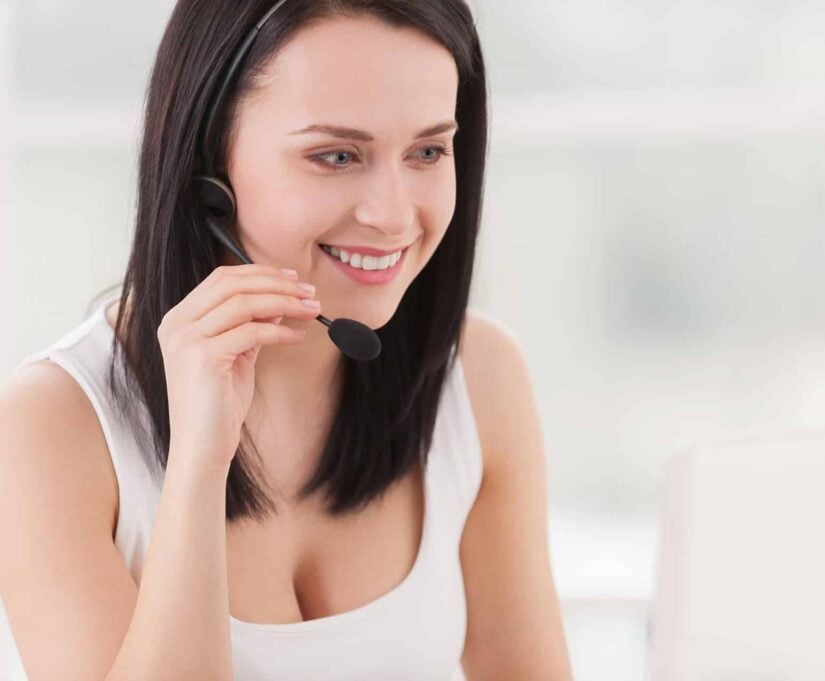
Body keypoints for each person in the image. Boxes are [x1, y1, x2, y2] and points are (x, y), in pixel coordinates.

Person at [0, 1, 573, 679]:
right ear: (209, 160)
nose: (392, 215)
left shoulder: (478, 376)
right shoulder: (49, 425)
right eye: (336, 155)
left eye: (427, 150)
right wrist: (198, 465)